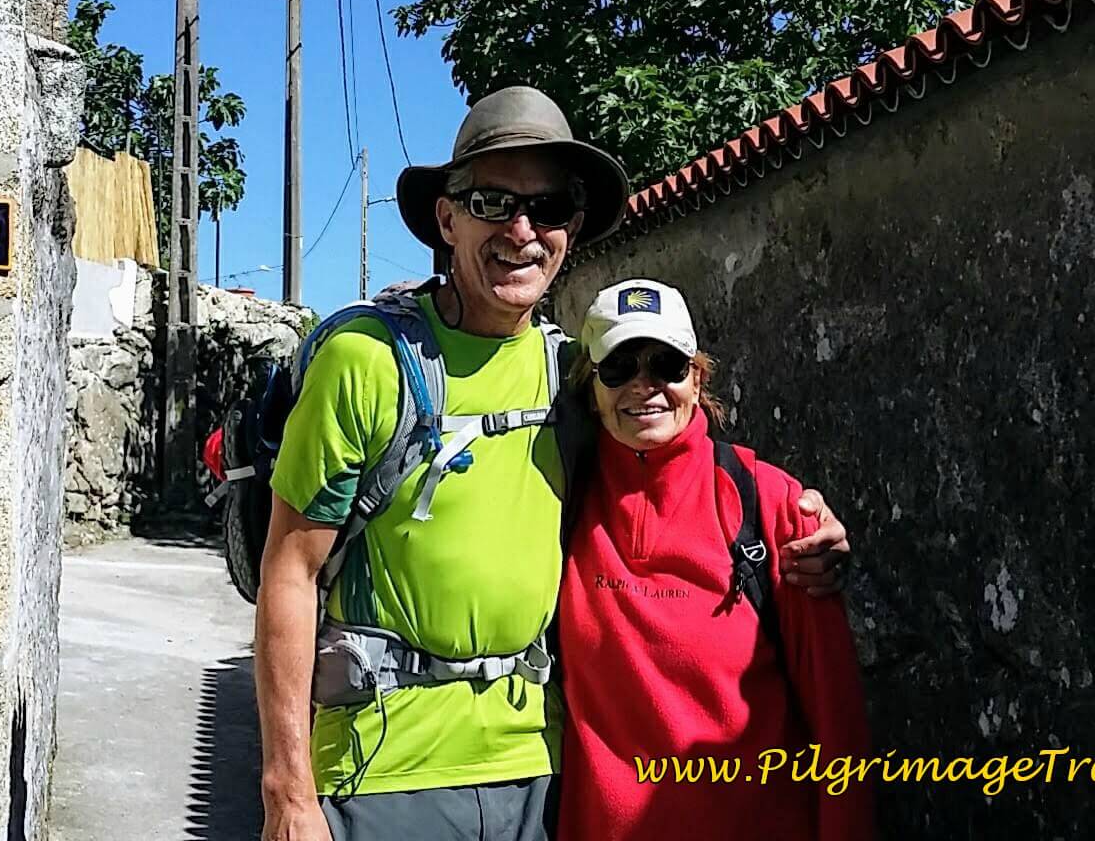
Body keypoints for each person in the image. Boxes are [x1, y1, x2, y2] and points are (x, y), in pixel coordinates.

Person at [254, 87, 853, 841]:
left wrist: (799, 513)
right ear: (447, 218)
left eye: (550, 209)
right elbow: (290, 569)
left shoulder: (572, 374)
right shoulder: (367, 363)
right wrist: (286, 789)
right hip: (384, 770)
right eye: (492, 202)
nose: (523, 231)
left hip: (539, 773)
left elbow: (671, 460)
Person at [558, 279, 872, 841]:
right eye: (619, 368)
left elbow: (836, 717)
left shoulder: (773, 506)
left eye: (667, 365)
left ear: (698, 379)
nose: (644, 386)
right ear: (590, 388)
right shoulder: (560, 503)